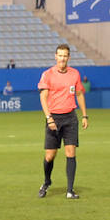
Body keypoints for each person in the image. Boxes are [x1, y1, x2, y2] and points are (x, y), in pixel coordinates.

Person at [38, 44, 88, 199]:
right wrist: (49, 118)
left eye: (65, 55)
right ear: (55, 56)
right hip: (54, 118)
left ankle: (70, 190)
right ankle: (46, 182)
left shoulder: (74, 74)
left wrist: (85, 115)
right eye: (60, 55)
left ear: (69, 57)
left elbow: (79, 94)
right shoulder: (48, 74)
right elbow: (43, 98)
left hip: (70, 118)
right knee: (50, 156)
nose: (62, 58)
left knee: (71, 153)